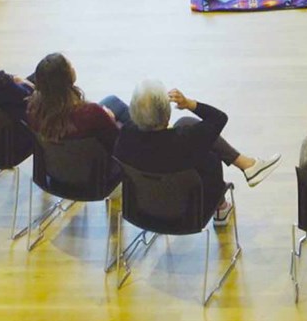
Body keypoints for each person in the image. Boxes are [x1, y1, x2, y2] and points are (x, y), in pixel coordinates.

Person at [114, 79, 281, 225]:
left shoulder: (125, 137)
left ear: (133, 114)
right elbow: (219, 118)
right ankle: (223, 204)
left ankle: (247, 166)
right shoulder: (186, 140)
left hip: (141, 212)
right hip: (188, 216)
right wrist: (189, 103)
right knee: (209, 155)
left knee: (186, 124)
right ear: (167, 115)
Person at [26, 53, 132, 155]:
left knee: (112, 101)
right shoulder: (91, 114)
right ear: (66, 77)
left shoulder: (34, 110)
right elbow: (117, 141)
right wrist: (111, 119)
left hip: (58, 161)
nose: (73, 68)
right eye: (70, 66)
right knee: (130, 122)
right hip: (94, 162)